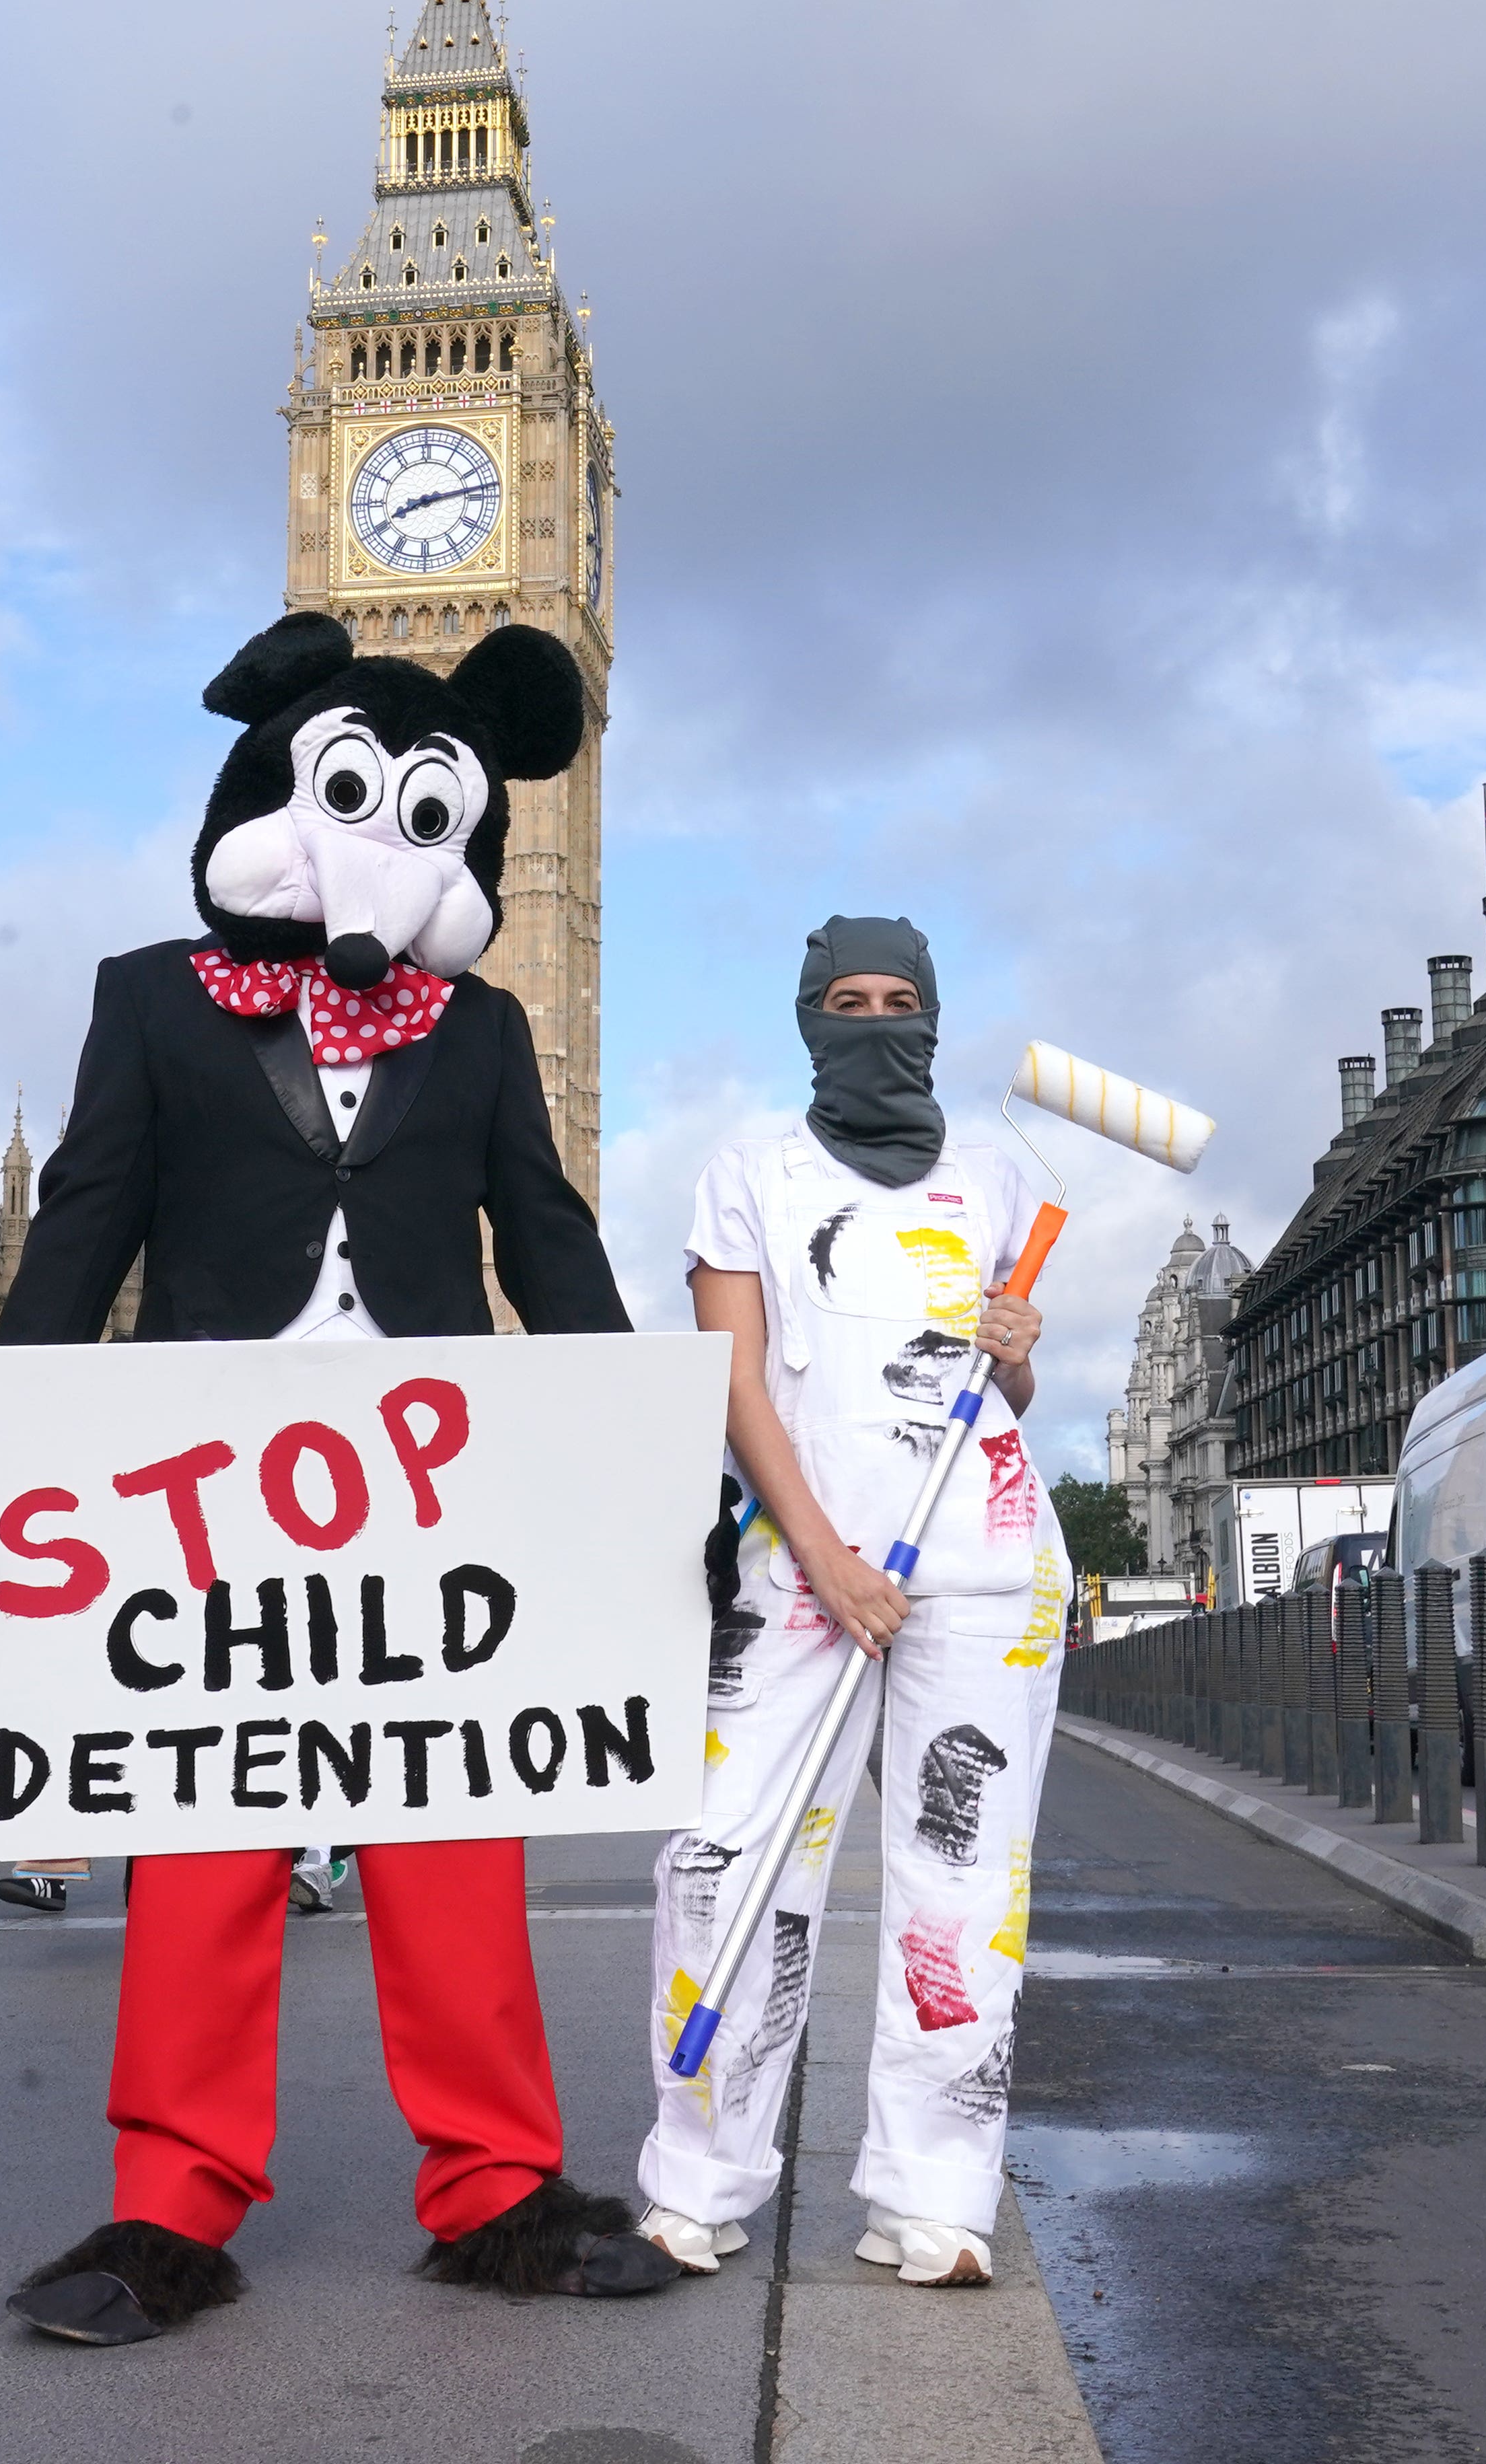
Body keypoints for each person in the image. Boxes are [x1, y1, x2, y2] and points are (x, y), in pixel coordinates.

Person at [0, 612, 679, 2347]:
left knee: (452, 1840)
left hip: (433, 1488)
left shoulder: (485, 1025)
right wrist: (0, 1460)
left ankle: (498, 2186)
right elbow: (85, 1228)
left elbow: (546, 1238)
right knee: (204, 1851)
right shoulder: (150, 997)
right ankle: (168, 2206)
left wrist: (640, 1456)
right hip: (199, 1490)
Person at [633, 916, 1071, 2292]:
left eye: (899, 1000)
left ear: (932, 1017)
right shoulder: (749, 1173)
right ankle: (698, 2174)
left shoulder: (1000, 1175)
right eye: (847, 998)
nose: (875, 1019)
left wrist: (1016, 1353)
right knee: (727, 1859)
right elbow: (736, 1380)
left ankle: (935, 2196)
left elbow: (999, 1401)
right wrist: (823, 1555)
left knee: (963, 1888)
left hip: (987, 1559)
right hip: (803, 1572)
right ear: (809, 1016)